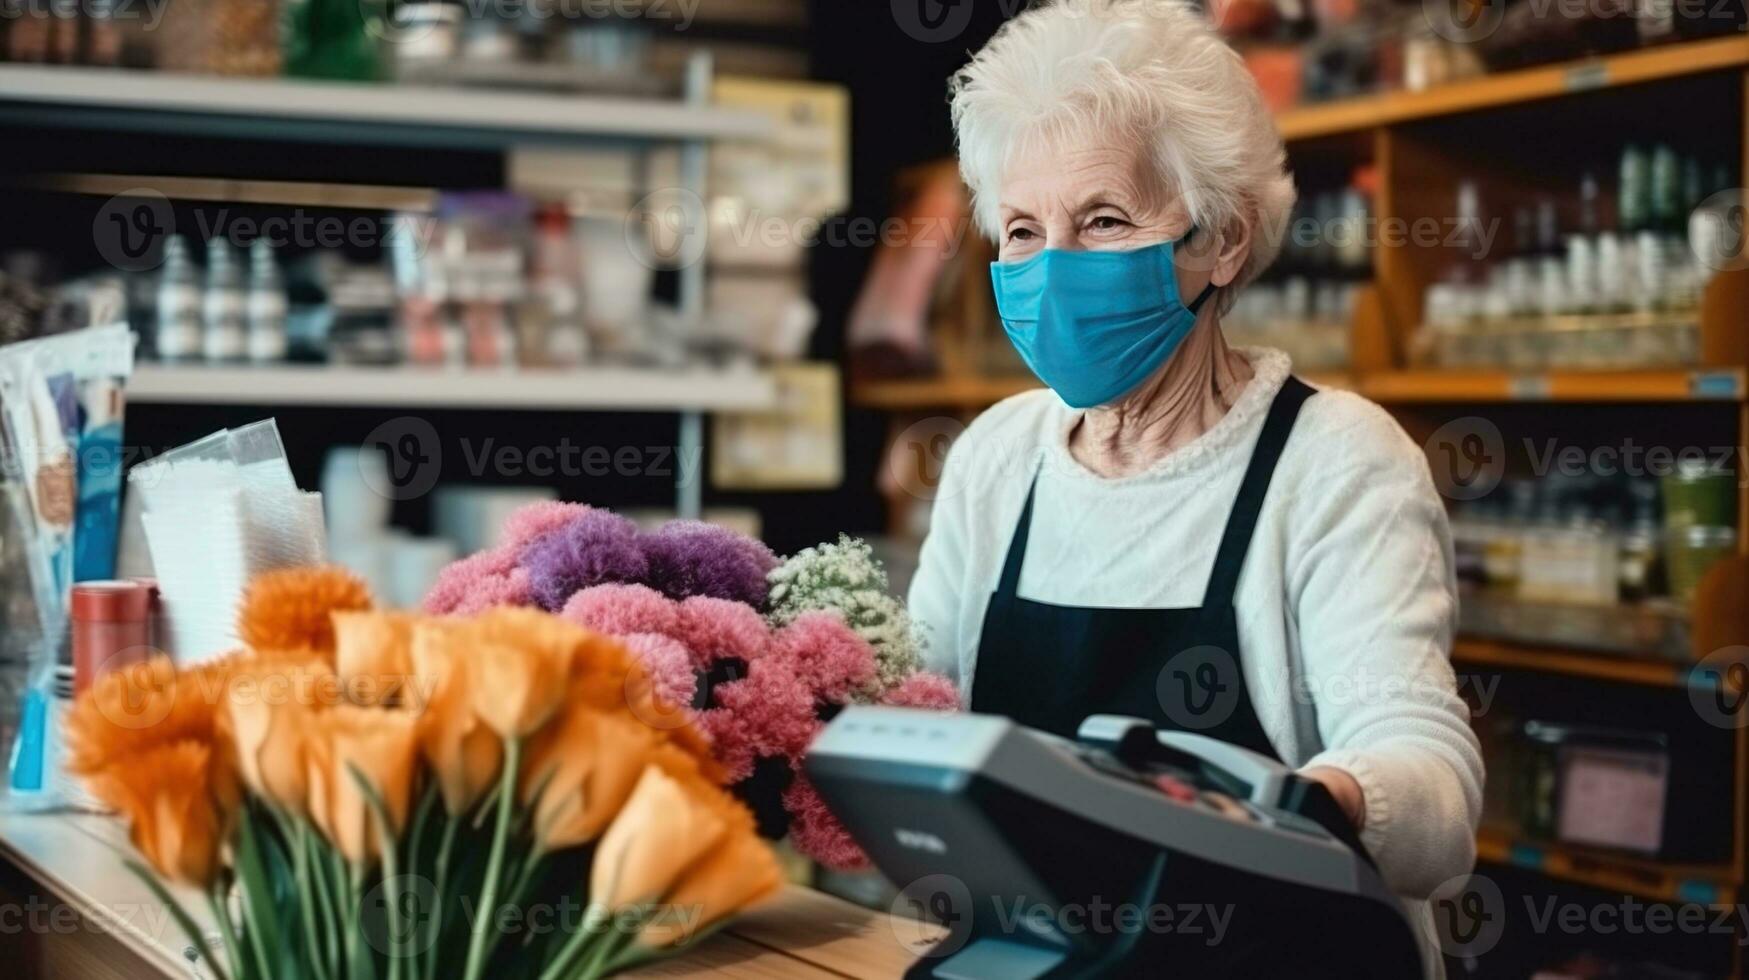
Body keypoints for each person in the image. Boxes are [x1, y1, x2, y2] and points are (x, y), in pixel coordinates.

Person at [908, 2, 1483, 973]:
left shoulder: (1337, 461)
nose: (1052, 270)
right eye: (1020, 231)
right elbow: (916, 716)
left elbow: (1435, 800)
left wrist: (1302, 806)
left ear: (1220, 238)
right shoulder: (996, 460)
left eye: (1101, 221)